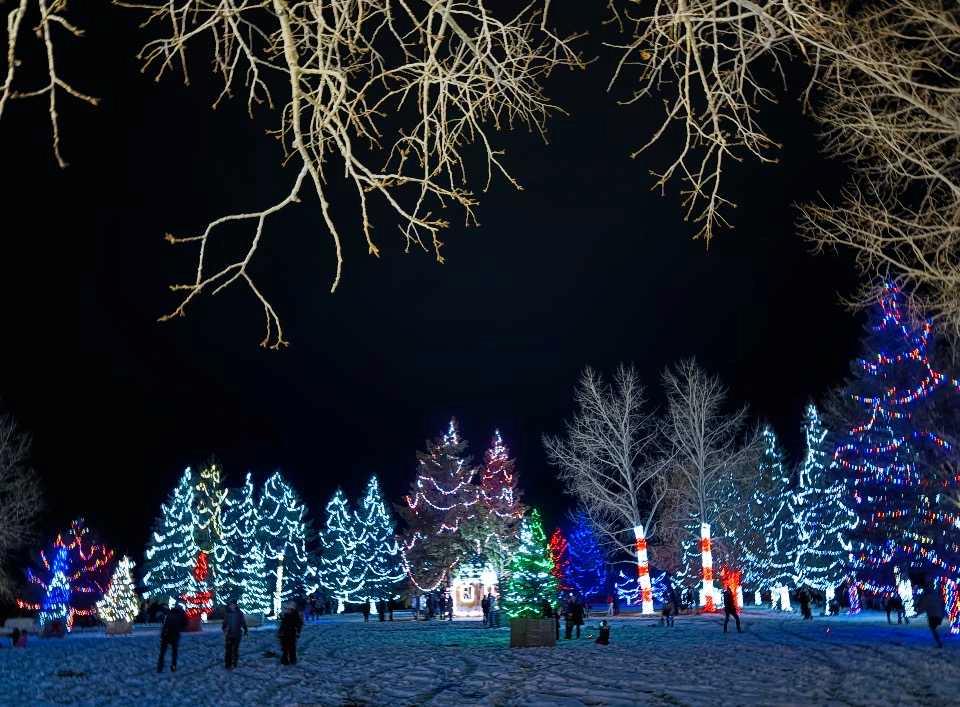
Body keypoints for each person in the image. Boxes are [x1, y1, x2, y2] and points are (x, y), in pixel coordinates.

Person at [157, 602, 187, 672]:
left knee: (162, 652)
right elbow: (185, 624)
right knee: (174, 652)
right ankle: (173, 667)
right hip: (175, 634)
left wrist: (162, 633)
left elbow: (165, 623)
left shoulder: (169, 613)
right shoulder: (182, 614)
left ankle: (160, 667)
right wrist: (180, 628)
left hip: (166, 634)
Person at [222, 600, 249, 670]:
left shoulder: (239, 613)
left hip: (237, 634)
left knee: (235, 650)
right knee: (228, 650)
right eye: (231, 605)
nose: (232, 606)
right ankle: (228, 664)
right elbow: (225, 622)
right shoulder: (227, 613)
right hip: (229, 634)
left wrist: (245, 629)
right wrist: (224, 628)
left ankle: (234, 663)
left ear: (236, 605)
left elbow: (243, 622)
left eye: (233, 605)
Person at [920, 581, 945, 647]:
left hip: (932, 614)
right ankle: (940, 640)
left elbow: (923, 606)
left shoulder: (926, 596)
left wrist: (919, 611)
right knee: (935, 628)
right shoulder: (935, 594)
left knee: (933, 629)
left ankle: (939, 642)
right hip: (938, 614)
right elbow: (941, 602)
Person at [278, 601, 304, 665]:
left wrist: (298, 631)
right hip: (285, 632)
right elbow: (283, 623)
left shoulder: (295, 614)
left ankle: (291, 659)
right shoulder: (286, 614)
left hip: (291, 632)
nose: (288, 609)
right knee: (285, 647)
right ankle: (287, 659)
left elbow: (299, 624)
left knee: (291, 646)